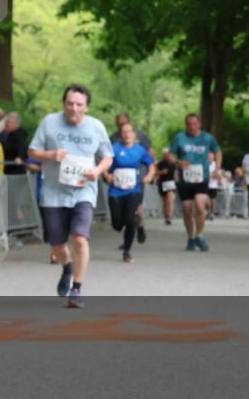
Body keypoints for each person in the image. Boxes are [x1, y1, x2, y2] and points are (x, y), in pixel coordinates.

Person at [28, 84, 114, 308]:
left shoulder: (96, 127)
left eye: (79, 104)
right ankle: (67, 266)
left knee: (79, 238)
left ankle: (77, 288)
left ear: (86, 107)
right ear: (64, 104)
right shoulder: (50, 122)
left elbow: (108, 156)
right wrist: (51, 154)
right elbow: (32, 151)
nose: (74, 108)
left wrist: (97, 171)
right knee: (56, 243)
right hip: (54, 192)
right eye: (69, 104)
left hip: (84, 191)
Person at [169, 113, 221, 252]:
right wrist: (178, 162)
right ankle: (190, 238)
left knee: (199, 204)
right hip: (185, 179)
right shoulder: (180, 138)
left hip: (201, 177)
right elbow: (171, 155)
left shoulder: (207, 138)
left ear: (199, 124)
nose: (191, 127)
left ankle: (200, 235)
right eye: (189, 124)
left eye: (194, 124)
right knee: (186, 209)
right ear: (186, 125)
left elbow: (218, 151)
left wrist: (217, 168)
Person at [105, 123, 156, 263]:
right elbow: (105, 163)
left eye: (129, 132)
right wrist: (106, 175)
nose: (126, 134)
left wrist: (149, 176)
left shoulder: (140, 150)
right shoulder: (114, 148)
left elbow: (151, 165)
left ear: (134, 134)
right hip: (116, 191)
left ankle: (127, 251)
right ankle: (127, 226)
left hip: (133, 190)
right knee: (117, 224)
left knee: (130, 219)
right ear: (121, 134)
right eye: (123, 132)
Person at [110, 113, 153, 242]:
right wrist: (107, 174)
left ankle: (139, 226)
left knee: (136, 209)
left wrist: (150, 174)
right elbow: (107, 157)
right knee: (123, 214)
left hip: (137, 178)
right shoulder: (113, 138)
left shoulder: (140, 136)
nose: (122, 125)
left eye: (124, 122)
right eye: (119, 123)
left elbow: (150, 154)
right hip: (119, 179)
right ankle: (129, 228)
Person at [155, 149, 177, 225]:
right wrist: (161, 172)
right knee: (165, 202)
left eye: (168, 154)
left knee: (170, 199)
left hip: (171, 183)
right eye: (165, 154)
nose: (166, 155)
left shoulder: (173, 163)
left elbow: (178, 172)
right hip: (162, 183)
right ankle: (166, 216)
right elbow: (155, 173)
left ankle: (170, 217)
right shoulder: (159, 164)